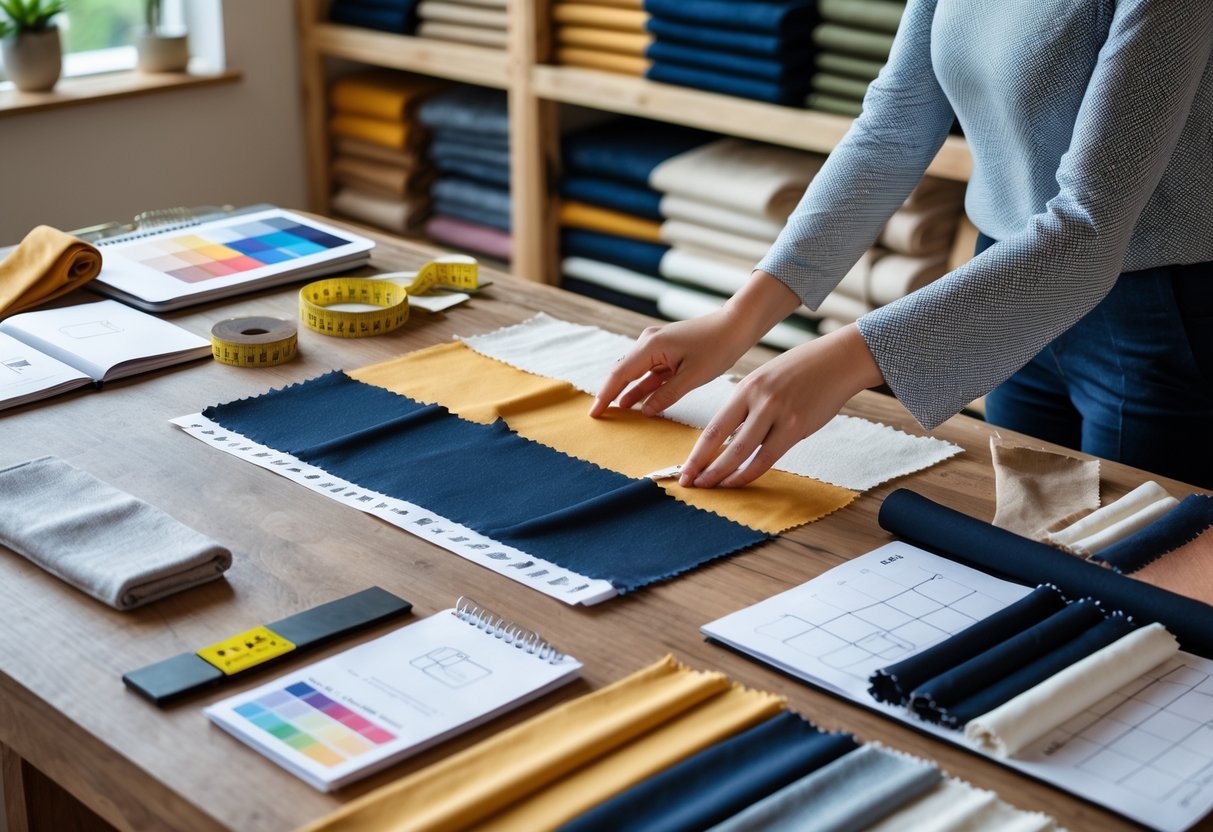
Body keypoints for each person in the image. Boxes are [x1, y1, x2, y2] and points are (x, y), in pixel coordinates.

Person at [590, 0, 1213, 490]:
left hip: (1150, 319)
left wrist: (842, 362)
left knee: (1141, 592)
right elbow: (895, 126)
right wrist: (735, 321)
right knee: (1030, 542)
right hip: (1000, 281)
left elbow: (1089, 228)